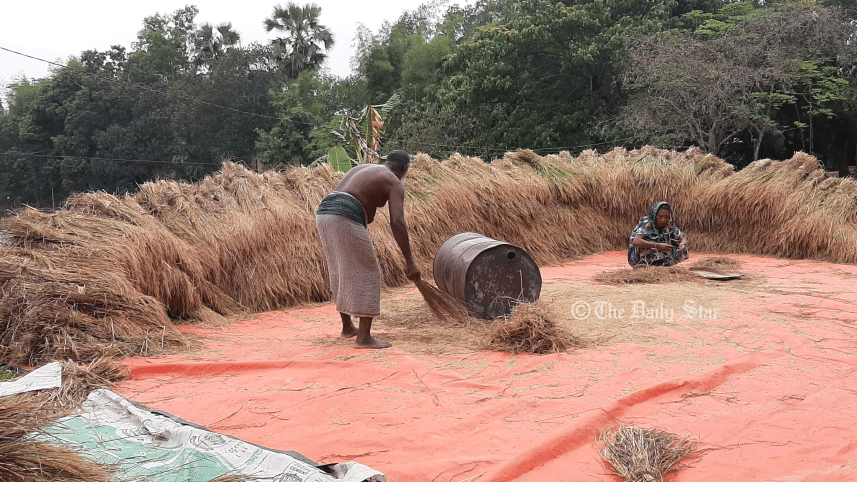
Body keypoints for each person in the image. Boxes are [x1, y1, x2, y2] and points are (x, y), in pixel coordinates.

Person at [315, 151, 421, 349]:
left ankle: (348, 327)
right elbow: (397, 222)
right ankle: (364, 337)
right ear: (405, 169)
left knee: (339, 269)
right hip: (344, 215)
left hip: (324, 213)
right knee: (369, 272)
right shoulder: (394, 182)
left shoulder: (366, 168)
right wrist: (410, 262)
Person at [628, 201, 688, 268]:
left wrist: (683, 243)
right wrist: (657, 245)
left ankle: (664, 264)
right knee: (645, 244)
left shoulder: (668, 223)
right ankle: (643, 264)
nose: (663, 220)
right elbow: (636, 241)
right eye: (660, 216)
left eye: (666, 217)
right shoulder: (647, 222)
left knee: (677, 243)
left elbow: (681, 236)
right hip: (639, 255)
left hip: (658, 251)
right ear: (655, 215)